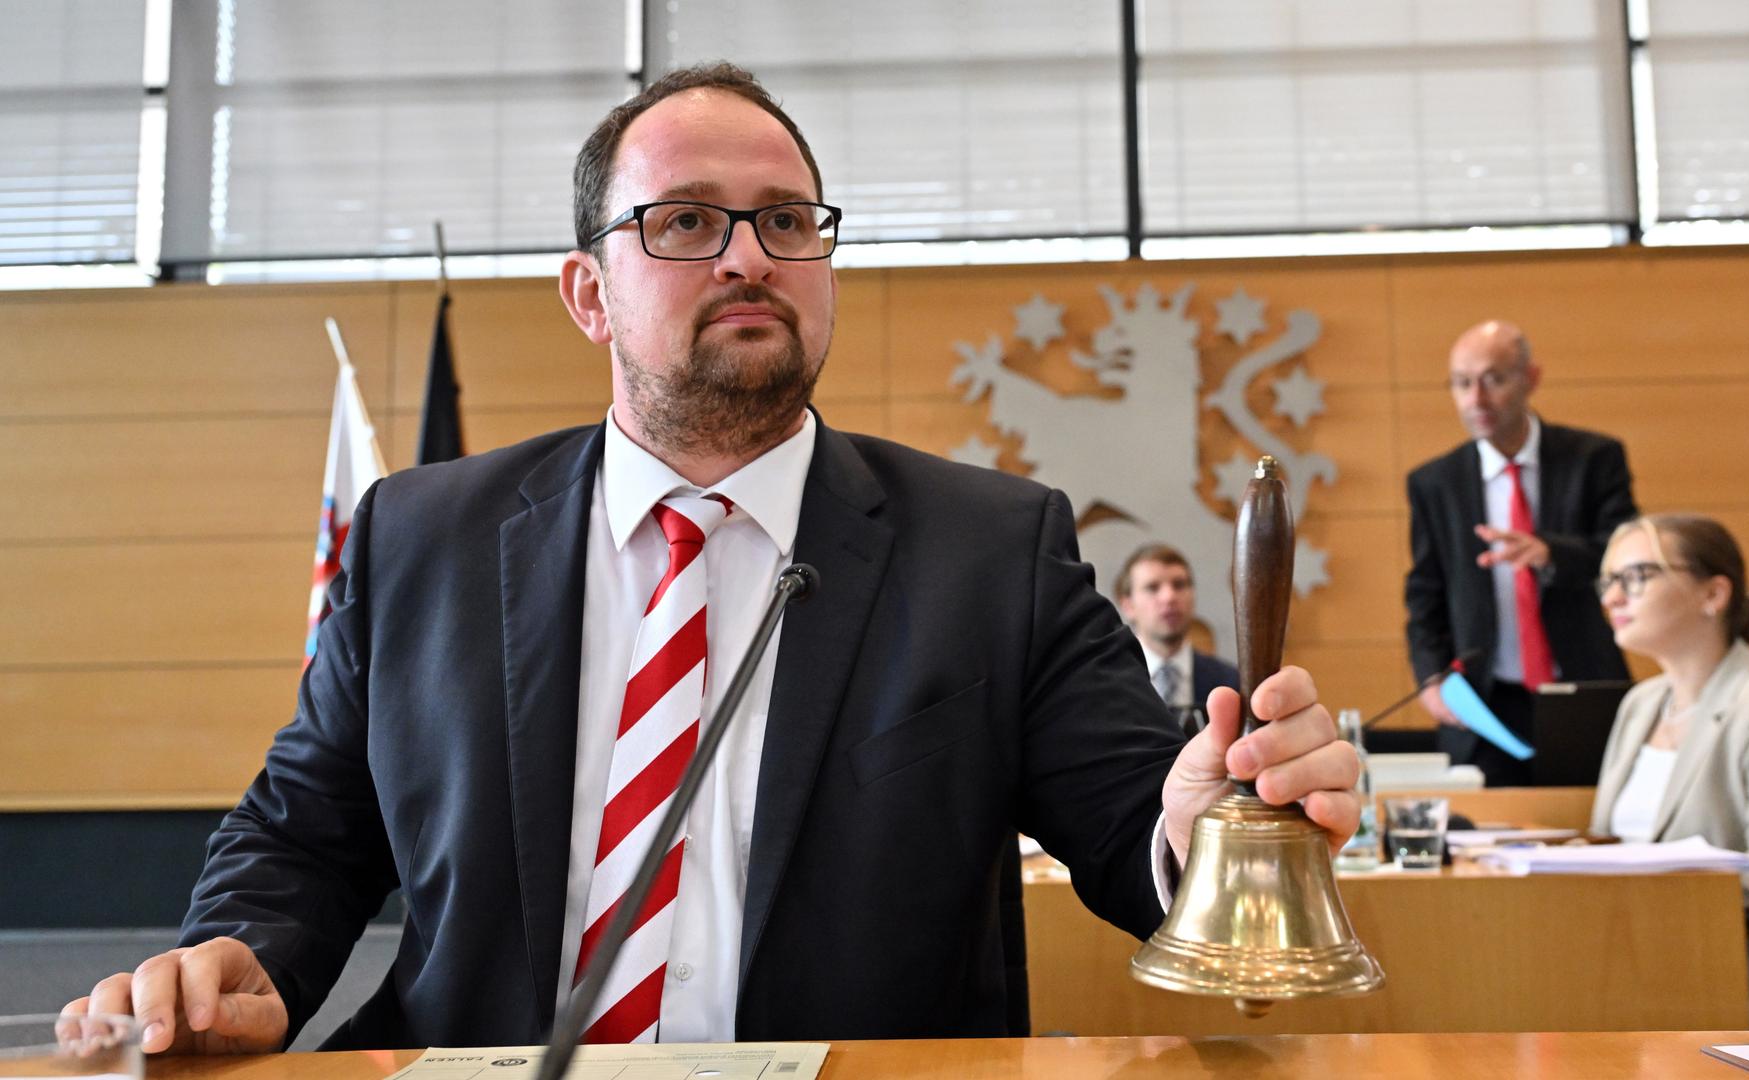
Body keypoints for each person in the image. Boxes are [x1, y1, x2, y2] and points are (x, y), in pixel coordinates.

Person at [66, 64, 1359, 1053]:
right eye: (686, 221)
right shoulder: (422, 539)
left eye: (787, 221)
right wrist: (244, 954)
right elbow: (303, 829)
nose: (748, 256)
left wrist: (1207, 829)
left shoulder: (992, 549)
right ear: (589, 293)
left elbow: (1137, 823)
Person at [1587, 514, 1749, 1030]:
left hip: (1740, 987)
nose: (1613, 598)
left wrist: (1646, 879)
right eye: (1608, 582)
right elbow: (1607, 845)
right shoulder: (1641, 704)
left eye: (1636, 577)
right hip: (1630, 972)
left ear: (1713, 594)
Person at [1404, 320, 1637, 786]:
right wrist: (1431, 679)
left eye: (1493, 379)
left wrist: (1552, 554)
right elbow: (1425, 595)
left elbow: (1627, 558)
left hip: (1580, 686)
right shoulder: (1436, 483)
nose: (1477, 399)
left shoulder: (1594, 459)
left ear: (1530, 378)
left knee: (1594, 832)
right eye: (1462, 383)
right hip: (1485, 701)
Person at [1113, 543, 1239, 737]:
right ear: (1128, 605)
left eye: (1179, 585)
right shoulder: (1108, 685)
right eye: (1153, 587)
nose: (1169, 597)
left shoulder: (1232, 684)